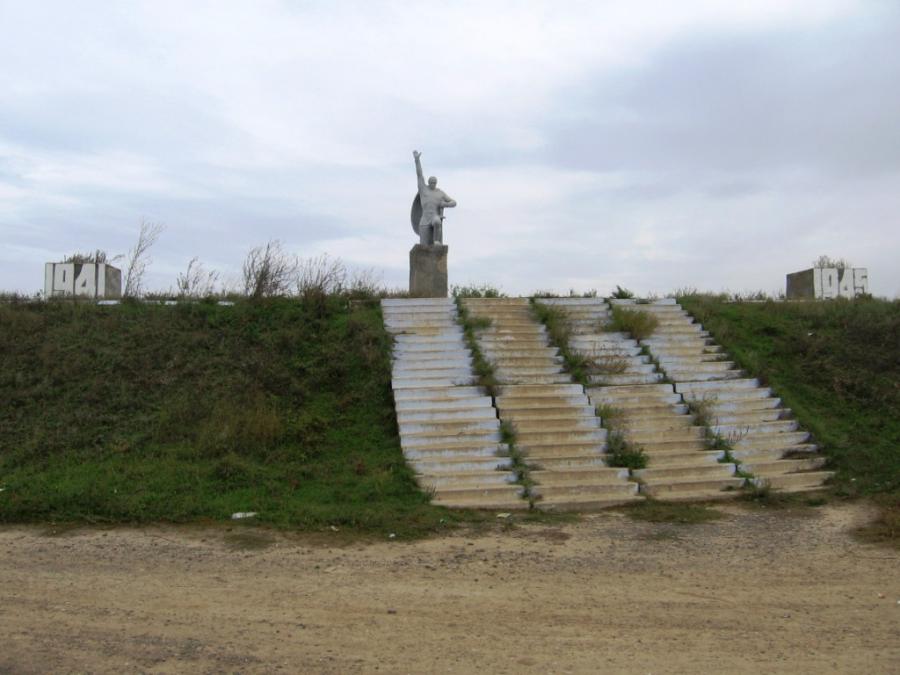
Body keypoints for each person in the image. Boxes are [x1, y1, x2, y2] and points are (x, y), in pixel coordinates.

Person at [413, 150, 456, 245]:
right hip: (425, 220)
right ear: (428, 182)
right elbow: (419, 175)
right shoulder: (423, 189)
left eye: (434, 182)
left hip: (434, 216)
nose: (433, 184)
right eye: (431, 182)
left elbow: (454, 202)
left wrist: (445, 204)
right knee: (423, 245)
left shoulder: (440, 193)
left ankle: (437, 241)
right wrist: (417, 160)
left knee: (437, 222)